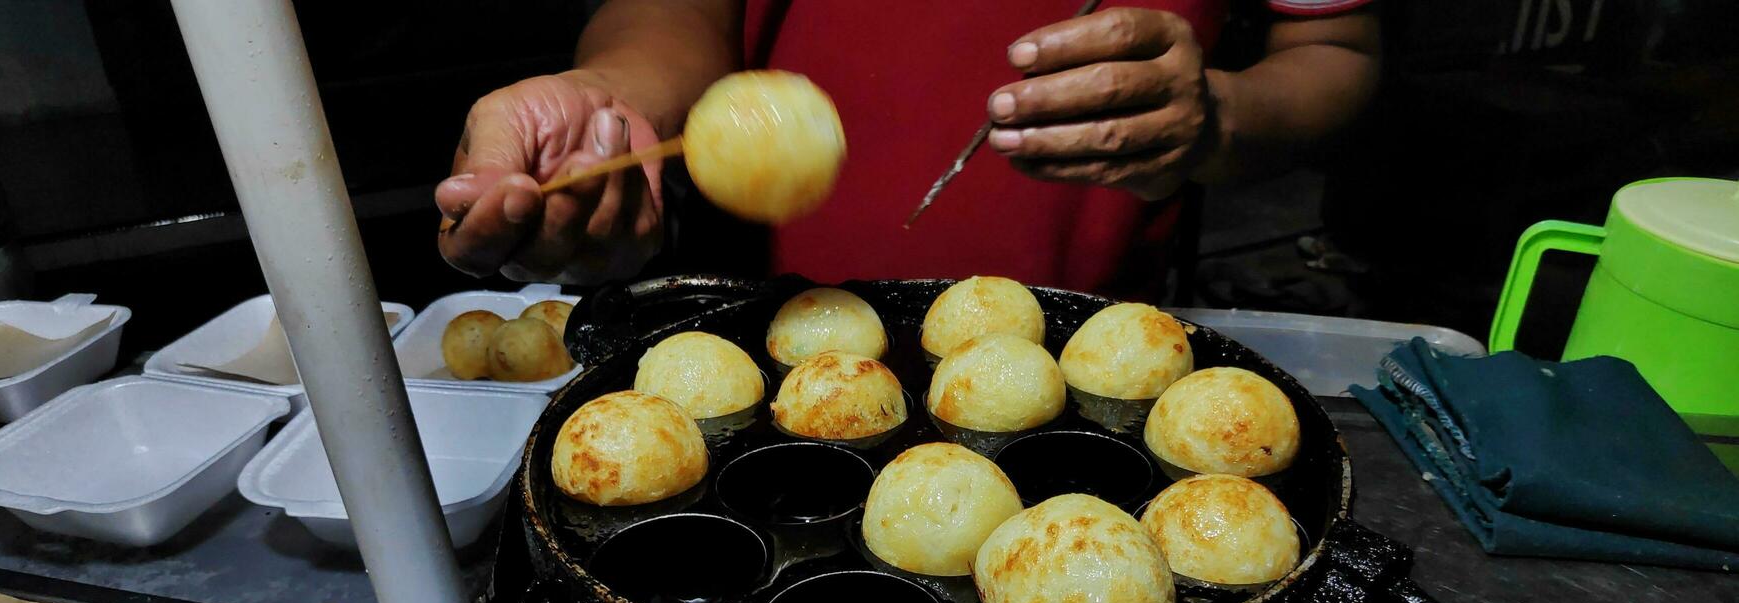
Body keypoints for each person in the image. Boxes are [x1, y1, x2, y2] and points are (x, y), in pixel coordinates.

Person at [435, 0, 1380, 298]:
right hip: (776, 336)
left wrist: (1219, 120)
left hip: (1094, 343)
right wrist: (615, 103)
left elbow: (1335, 52)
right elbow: (675, 9)